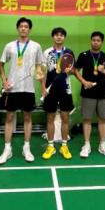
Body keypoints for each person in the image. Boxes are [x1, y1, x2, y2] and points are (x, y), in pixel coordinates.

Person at [0, 17, 44, 164]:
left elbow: (39, 67)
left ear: (29, 29)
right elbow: (0, 64)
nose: (23, 28)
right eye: (21, 26)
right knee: (9, 117)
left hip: (28, 89)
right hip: (12, 89)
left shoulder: (36, 46)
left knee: (28, 117)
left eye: (26, 26)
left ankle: (26, 148)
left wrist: (42, 86)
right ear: (18, 29)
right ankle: (7, 149)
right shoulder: (10, 46)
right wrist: (4, 81)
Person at [74, 31, 105, 158]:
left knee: (103, 119)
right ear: (91, 41)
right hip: (88, 92)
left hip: (103, 92)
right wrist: (84, 82)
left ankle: (103, 145)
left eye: (98, 40)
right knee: (87, 119)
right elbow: (75, 70)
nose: (95, 42)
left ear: (101, 42)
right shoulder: (83, 55)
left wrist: (104, 71)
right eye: (94, 40)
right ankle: (86, 145)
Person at [41, 27, 75, 160]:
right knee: (50, 118)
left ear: (64, 37)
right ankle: (50, 146)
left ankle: (64, 145)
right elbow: (43, 72)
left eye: (61, 35)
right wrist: (43, 88)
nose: (59, 37)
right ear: (53, 37)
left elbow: (73, 71)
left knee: (65, 117)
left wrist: (70, 70)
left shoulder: (69, 52)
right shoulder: (47, 52)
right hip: (51, 90)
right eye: (56, 35)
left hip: (65, 89)